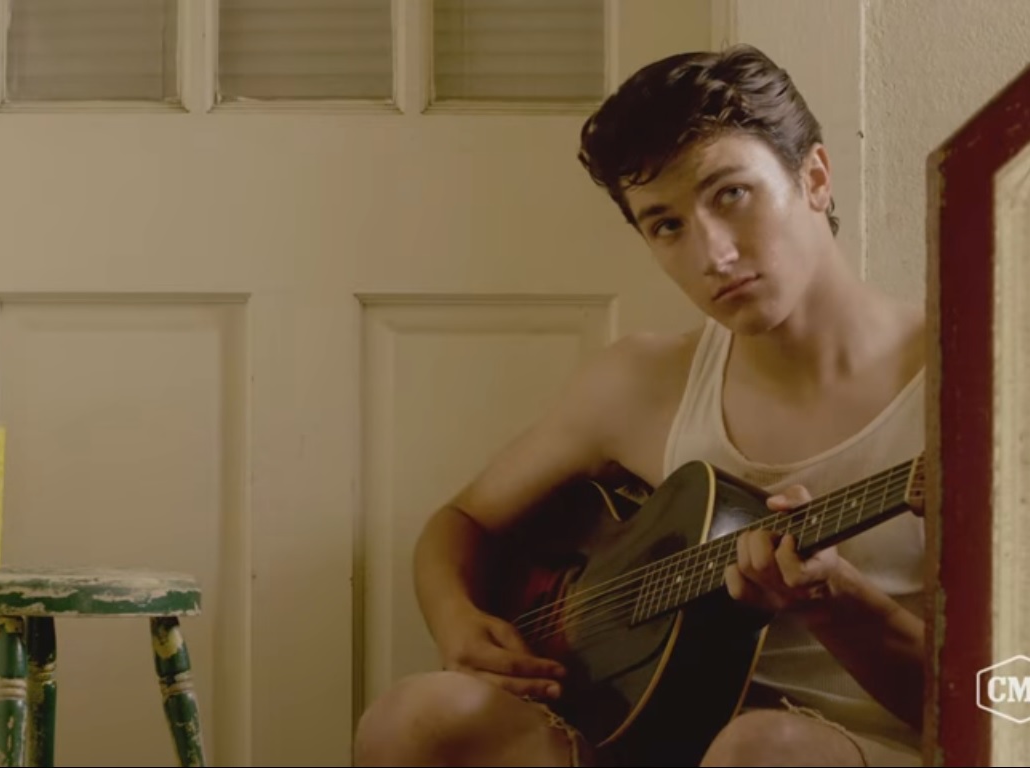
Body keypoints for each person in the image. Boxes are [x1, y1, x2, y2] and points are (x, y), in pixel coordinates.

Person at [352, 44, 927, 768]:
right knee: (413, 721)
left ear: (814, 178)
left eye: (731, 194)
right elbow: (461, 521)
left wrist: (836, 602)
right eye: (666, 225)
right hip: (657, 741)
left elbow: (1024, 695)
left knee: (762, 752)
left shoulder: (974, 380)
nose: (712, 255)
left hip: (875, 747)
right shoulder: (644, 382)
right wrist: (457, 623)